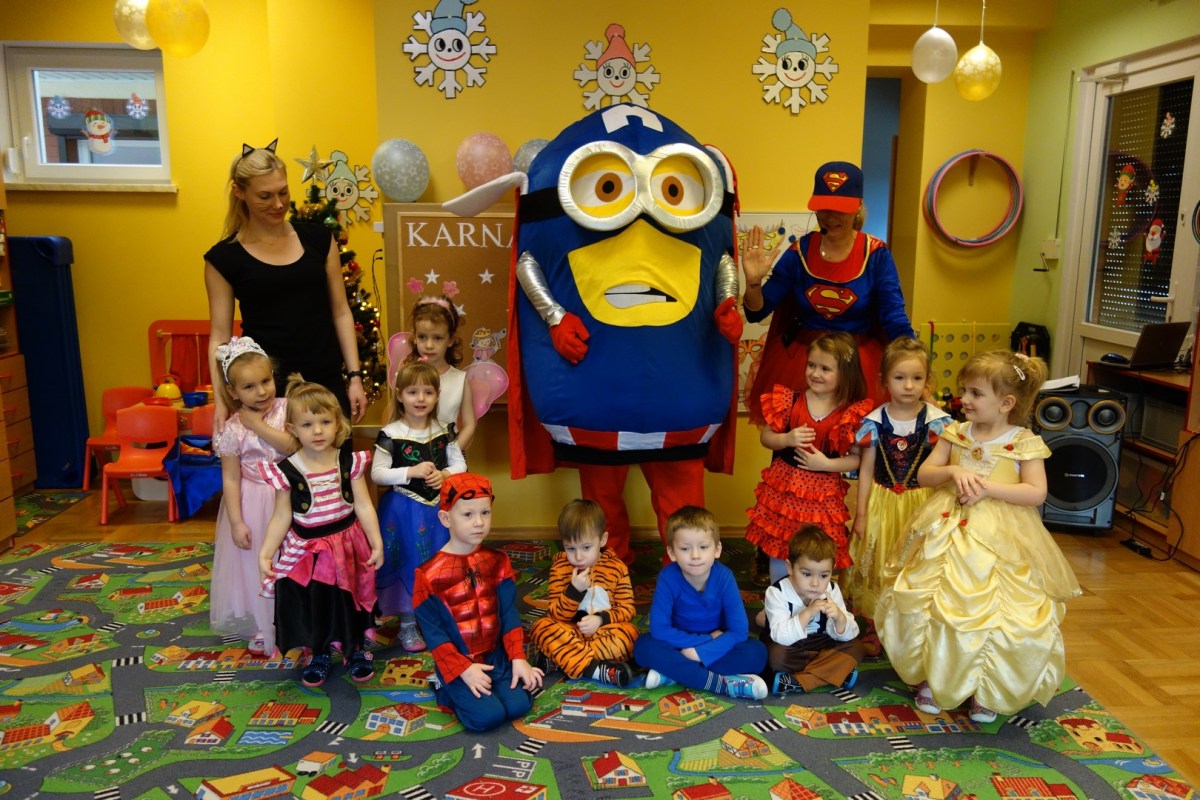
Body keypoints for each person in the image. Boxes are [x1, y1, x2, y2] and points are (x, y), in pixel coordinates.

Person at [875, 350, 1082, 724]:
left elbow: (1036, 492)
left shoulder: (1023, 441)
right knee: (935, 603)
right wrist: (953, 471)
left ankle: (986, 688)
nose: (964, 400)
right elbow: (924, 475)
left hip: (1001, 535)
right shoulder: (956, 432)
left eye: (975, 393)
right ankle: (933, 677)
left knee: (996, 613)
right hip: (948, 526)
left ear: (1006, 403)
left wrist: (988, 488)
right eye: (964, 391)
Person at [205, 140, 368, 432]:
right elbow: (219, 337)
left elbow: (341, 311)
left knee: (332, 460)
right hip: (265, 391)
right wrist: (221, 400)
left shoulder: (319, 239)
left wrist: (355, 377)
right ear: (239, 192)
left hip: (324, 382)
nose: (279, 204)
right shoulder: (223, 259)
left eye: (283, 192)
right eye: (265, 196)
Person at [740, 160, 914, 420]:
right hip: (807, 366)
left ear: (858, 207)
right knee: (797, 438)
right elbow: (757, 312)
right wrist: (753, 283)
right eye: (824, 208)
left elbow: (894, 318)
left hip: (858, 369)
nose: (830, 218)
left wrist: (916, 368)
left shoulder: (876, 254)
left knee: (855, 441)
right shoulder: (800, 251)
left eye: (840, 209)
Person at [258, 375, 384, 687]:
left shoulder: (348, 462)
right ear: (292, 429)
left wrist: (376, 542)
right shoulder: (288, 470)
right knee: (316, 604)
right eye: (307, 424)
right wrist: (266, 552)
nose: (317, 431)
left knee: (349, 600)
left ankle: (355, 649)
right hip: (308, 553)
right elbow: (282, 515)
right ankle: (319, 652)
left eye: (325, 422)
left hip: (347, 545)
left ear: (337, 423)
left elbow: (363, 505)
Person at [413, 473, 544, 732]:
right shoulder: (427, 575)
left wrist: (518, 658)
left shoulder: (499, 561)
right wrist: (462, 669)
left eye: (485, 512)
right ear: (445, 518)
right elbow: (433, 634)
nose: (479, 522)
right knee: (487, 717)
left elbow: (509, 614)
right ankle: (443, 686)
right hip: (458, 660)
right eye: (468, 514)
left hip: (496, 656)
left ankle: (490, 685)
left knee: (518, 706)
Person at [745, 331, 872, 585]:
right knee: (782, 545)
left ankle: (813, 597)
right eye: (811, 365)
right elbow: (766, 437)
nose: (815, 373)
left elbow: (856, 459)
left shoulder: (849, 413)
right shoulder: (789, 401)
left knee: (817, 550)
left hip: (822, 496)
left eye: (825, 369)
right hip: (785, 489)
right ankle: (780, 595)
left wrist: (827, 464)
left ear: (845, 373)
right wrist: (787, 439)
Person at [845, 337, 950, 620]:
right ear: (885, 380)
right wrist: (861, 514)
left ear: (927, 381)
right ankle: (877, 615)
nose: (908, 386)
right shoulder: (875, 422)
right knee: (879, 553)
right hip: (881, 502)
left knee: (915, 556)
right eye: (900, 378)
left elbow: (944, 468)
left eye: (917, 378)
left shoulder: (935, 422)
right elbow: (866, 470)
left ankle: (911, 615)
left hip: (922, 504)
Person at [209, 336, 295, 657]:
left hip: (290, 497)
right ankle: (262, 621)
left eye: (266, 381)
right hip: (254, 503)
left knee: (292, 556)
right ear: (232, 392)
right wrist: (236, 521)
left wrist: (257, 426)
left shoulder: (287, 409)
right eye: (249, 387)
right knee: (257, 561)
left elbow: (293, 447)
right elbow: (231, 478)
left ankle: (293, 615)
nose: (261, 391)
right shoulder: (231, 429)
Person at [372, 361, 466, 652]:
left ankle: (437, 616)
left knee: (438, 562)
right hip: (403, 512)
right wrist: (409, 472)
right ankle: (408, 623)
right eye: (413, 392)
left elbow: (460, 463)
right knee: (408, 562)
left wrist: (446, 474)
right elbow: (377, 474)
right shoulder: (391, 433)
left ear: (437, 396)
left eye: (428, 392)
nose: (420, 398)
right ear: (400, 395)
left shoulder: (444, 430)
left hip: (438, 512)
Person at [632, 506, 769, 700]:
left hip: (715, 646)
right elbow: (659, 630)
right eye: (685, 549)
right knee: (643, 647)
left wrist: (702, 652)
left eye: (703, 547)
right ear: (672, 553)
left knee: (757, 653)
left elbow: (739, 631)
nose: (695, 555)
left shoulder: (724, 577)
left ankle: (671, 674)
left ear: (717, 550)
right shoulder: (667, 577)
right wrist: (705, 641)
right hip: (681, 643)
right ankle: (719, 684)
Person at [530, 499, 638, 687]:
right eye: (570, 548)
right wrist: (574, 591)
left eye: (586, 547)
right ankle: (596, 670)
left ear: (602, 540)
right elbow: (555, 615)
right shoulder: (560, 568)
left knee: (631, 635)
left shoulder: (617, 567)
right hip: (571, 632)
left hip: (604, 633)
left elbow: (628, 610)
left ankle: (561, 659)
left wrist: (600, 620)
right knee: (541, 627)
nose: (578, 557)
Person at [763, 525, 865, 695]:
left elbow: (848, 633)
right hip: (792, 648)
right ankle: (834, 672)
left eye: (824, 576)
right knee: (775, 657)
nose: (815, 583)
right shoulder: (776, 592)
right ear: (790, 567)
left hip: (822, 644)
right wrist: (808, 612)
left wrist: (839, 618)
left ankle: (797, 681)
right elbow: (780, 636)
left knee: (858, 648)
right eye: (806, 574)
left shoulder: (831, 589)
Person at [406, 295, 477, 451]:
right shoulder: (406, 376)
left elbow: (469, 424)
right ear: (415, 337)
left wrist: (452, 454)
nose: (429, 345)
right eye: (422, 337)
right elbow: (393, 419)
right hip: (411, 455)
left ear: (450, 340)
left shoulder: (460, 380)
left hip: (450, 455)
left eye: (437, 338)